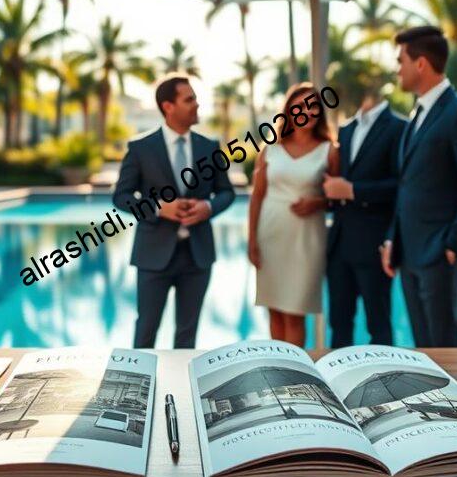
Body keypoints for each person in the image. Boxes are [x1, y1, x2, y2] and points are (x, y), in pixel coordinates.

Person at [112, 74, 235, 349]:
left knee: (187, 336)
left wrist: (208, 207)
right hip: (153, 255)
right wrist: (157, 208)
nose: (197, 104)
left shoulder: (209, 147)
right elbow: (120, 196)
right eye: (189, 99)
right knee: (146, 331)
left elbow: (227, 192)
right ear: (168, 106)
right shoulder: (140, 148)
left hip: (198, 256)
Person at [381, 25, 457, 348]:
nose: (397, 69)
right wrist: (392, 239)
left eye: (401, 61)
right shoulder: (417, 114)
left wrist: (454, 244)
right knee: (424, 349)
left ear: (421, 63)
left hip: (440, 256)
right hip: (410, 253)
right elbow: (407, 185)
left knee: (445, 348)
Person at [248, 82, 336, 347]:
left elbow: (338, 199)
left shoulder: (330, 150)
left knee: (295, 313)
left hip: (306, 240)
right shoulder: (269, 149)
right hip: (270, 235)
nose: (306, 113)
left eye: (312, 107)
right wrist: (252, 239)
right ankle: (280, 367)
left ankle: (294, 375)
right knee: (274, 308)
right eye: (299, 107)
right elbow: (257, 195)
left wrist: (318, 203)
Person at [321, 89, 406, 348]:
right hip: (339, 245)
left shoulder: (400, 127)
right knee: (339, 325)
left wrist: (353, 190)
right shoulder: (345, 130)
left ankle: (384, 386)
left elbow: (401, 186)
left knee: (379, 326)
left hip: (374, 244)